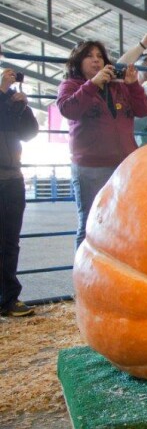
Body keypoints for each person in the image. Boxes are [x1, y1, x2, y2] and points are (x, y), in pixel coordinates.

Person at [57, 37, 147, 250]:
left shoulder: (119, 86)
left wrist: (133, 85)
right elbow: (68, 109)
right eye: (89, 56)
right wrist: (92, 85)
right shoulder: (70, 85)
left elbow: (144, 110)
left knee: (125, 221)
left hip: (124, 165)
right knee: (90, 223)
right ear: (78, 62)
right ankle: (84, 278)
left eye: (99, 56)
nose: (96, 60)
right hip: (90, 167)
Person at [0, 62, 39, 317]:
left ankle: (9, 298)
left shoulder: (10, 102)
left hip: (12, 176)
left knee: (10, 242)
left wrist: (22, 107)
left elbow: (30, 133)